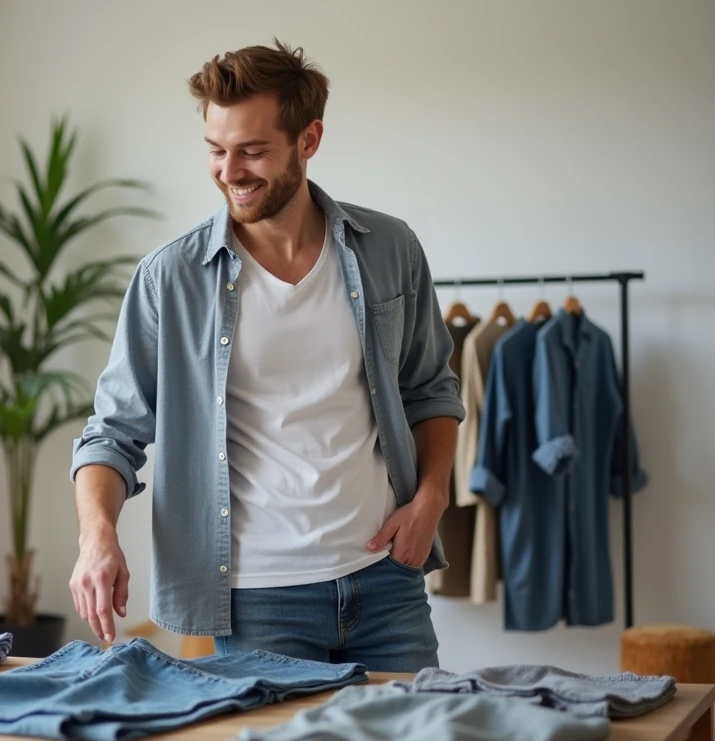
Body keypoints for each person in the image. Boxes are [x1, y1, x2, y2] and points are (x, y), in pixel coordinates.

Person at [68, 39, 465, 672]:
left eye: (252, 151)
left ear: (309, 141)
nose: (230, 171)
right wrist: (97, 536)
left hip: (388, 581)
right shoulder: (170, 280)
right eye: (216, 151)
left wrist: (433, 497)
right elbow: (111, 433)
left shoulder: (389, 249)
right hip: (257, 603)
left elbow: (430, 390)